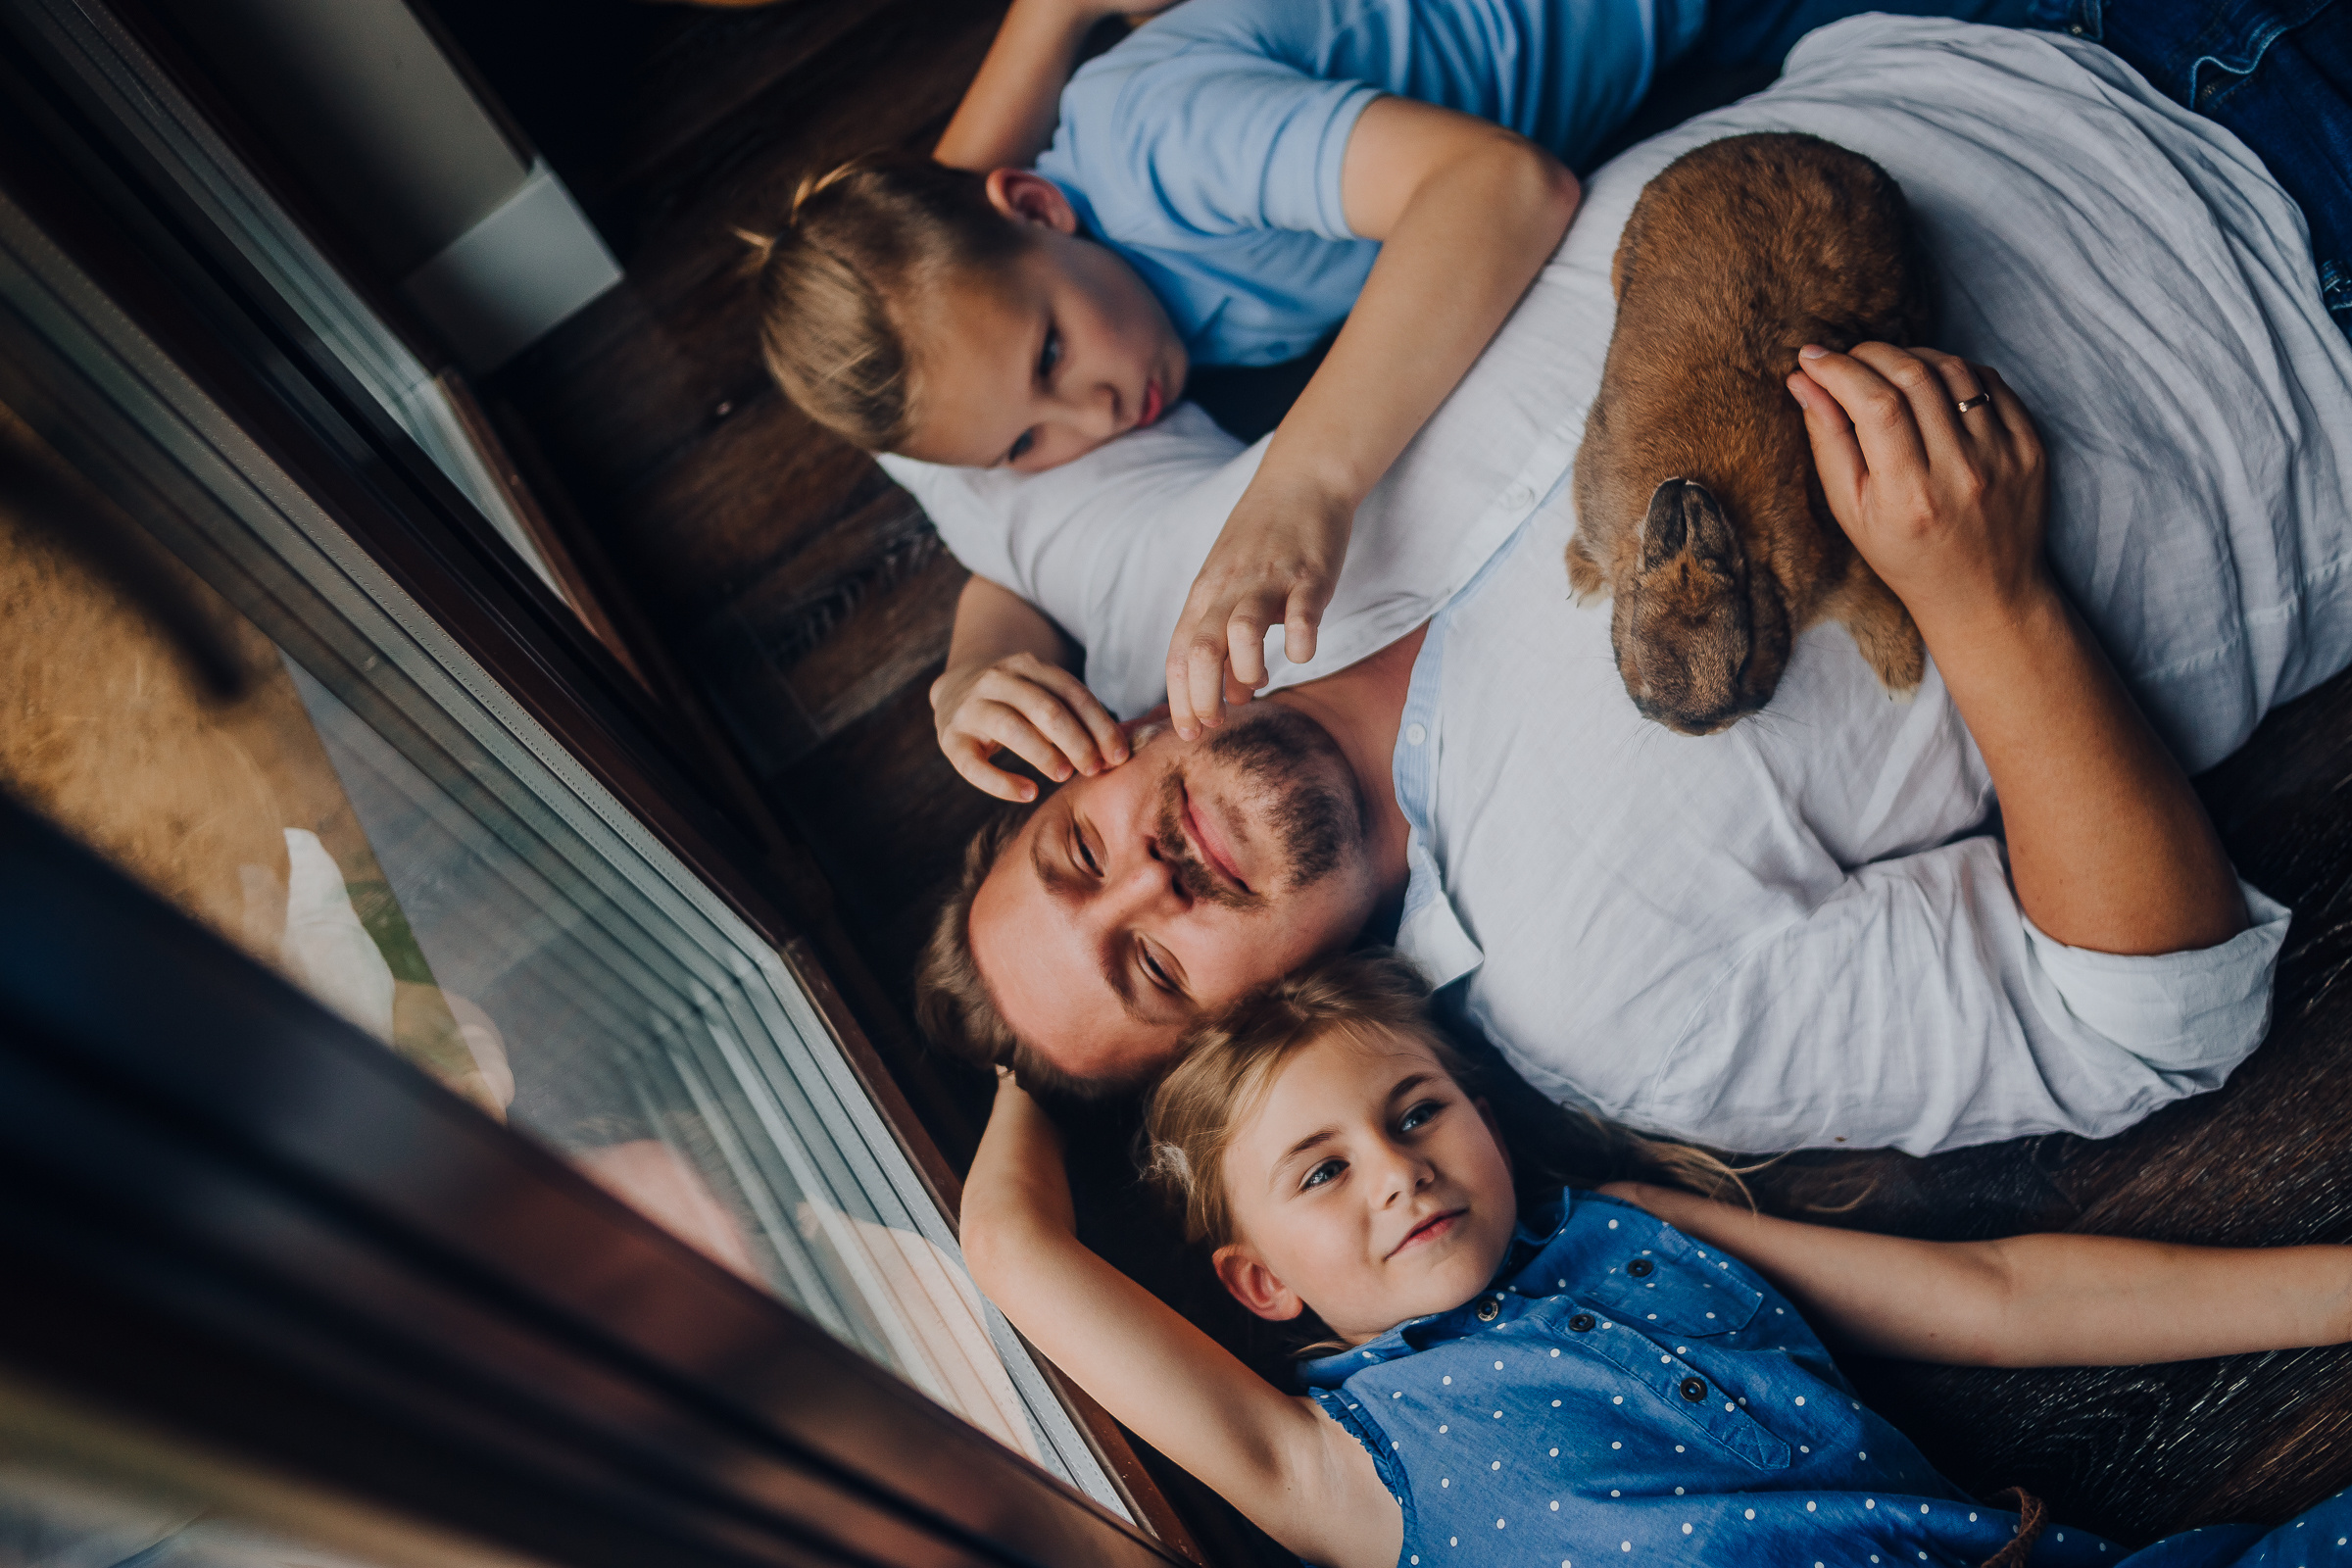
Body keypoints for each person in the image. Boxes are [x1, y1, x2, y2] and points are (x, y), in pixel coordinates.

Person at [908, 16, 2352, 1155]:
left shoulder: (1164, 577)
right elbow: (2158, 1021)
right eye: (1153, 969)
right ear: (1257, 1028)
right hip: (2307, 316)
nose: (1152, 879)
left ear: (1100, 755)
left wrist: (973, 667)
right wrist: (1991, 603)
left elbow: (939, 431)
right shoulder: (1614, 1008)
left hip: (2020, 38)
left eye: (1080, 852)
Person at [748, 0, 2037, 758]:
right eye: (1026, 443)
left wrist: (1306, 484)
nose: (1092, 415)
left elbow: (1505, 188)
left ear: (1037, 203)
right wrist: (972, 669)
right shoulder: (1036, 314)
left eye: (1051, 355)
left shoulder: (1157, 146)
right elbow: (997, 504)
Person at [959, 949, 2352, 1568]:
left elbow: (1992, 1296)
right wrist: (1035, 1059)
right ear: (1263, 1284)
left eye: (1416, 1111)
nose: (1396, 1170)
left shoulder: (1632, 1229)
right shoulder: (1337, 1465)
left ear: (1482, 1118)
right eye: (1321, 1172)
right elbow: (1014, 1248)